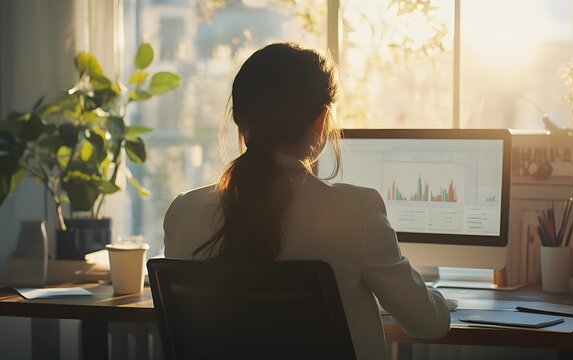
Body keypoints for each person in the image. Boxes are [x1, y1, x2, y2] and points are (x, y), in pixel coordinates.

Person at [163, 42, 450, 360]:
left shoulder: (183, 212)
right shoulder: (357, 212)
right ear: (321, 120)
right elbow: (428, 324)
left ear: (239, 121)